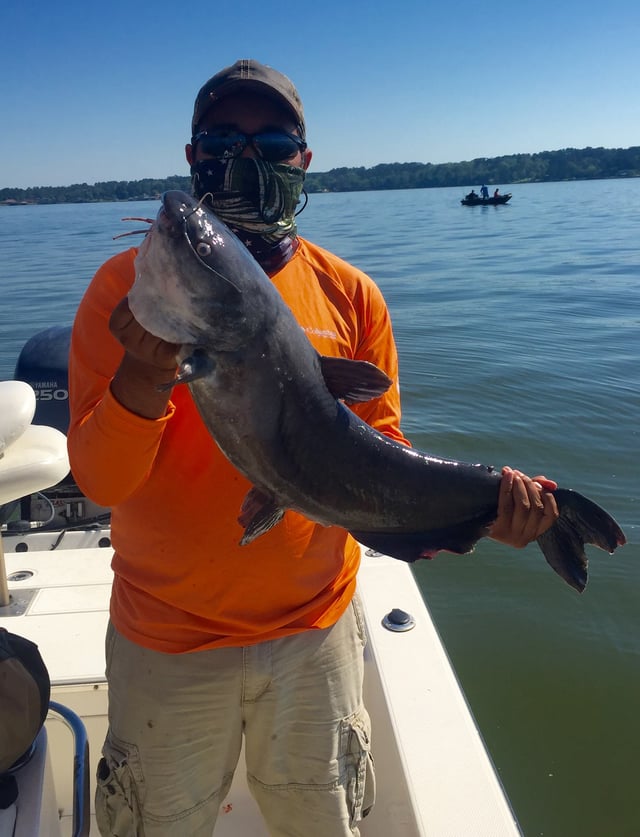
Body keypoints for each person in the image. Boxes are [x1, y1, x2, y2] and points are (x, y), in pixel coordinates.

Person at [67, 59, 559, 837]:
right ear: (194, 154)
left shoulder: (351, 293)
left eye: (274, 140)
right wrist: (142, 374)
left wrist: (477, 512)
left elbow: (382, 456)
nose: (246, 156)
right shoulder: (119, 294)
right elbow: (99, 483)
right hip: (167, 641)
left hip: (315, 635)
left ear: (303, 160)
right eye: (224, 138)